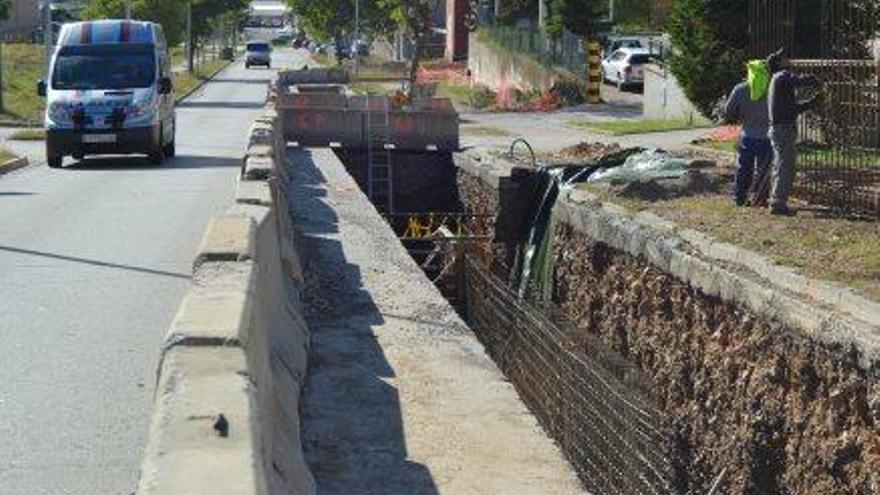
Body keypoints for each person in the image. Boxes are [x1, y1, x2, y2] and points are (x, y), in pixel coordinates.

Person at [764, 48, 822, 216]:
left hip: (780, 128)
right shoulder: (782, 76)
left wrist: (812, 102)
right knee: (785, 167)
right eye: (783, 58)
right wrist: (813, 79)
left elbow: (793, 108)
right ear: (778, 63)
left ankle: (776, 200)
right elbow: (797, 81)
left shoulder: (778, 81)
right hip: (782, 129)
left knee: (781, 165)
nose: (788, 59)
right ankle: (778, 204)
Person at [724, 59, 772, 206]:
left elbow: (728, 111)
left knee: (744, 168)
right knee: (763, 170)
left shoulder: (740, 89)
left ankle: (740, 198)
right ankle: (761, 199)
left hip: (747, 135)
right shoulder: (771, 89)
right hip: (767, 136)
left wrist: (739, 117)